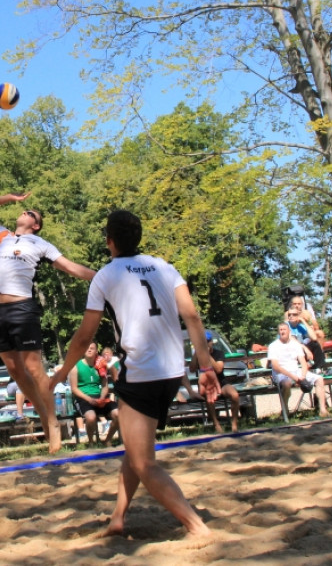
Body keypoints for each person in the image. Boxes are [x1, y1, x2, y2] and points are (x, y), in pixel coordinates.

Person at [51, 210, 220, 542]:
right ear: (138, 236)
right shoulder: (164, 266)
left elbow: (85, 337)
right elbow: (192, 315)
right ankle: (118, 518)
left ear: (109, 241)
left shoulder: (105, 275)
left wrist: (62, 372)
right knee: (134, 447)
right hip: (173, 371)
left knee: (144, 463)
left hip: (141, 372)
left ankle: (197, 526)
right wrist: (203, 366)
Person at [0, 192, 95, 454]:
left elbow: (71, 267)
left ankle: (52, 424)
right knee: (15, 371)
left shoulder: (41, 244)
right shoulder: (2, 234)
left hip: (21, 308)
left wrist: (102, 277)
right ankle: (43, 416)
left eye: (31, 214)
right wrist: (9, 198)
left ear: (36, 225)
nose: (25, 213)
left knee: (34, 368)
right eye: (25, 211)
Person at [268, 323, 330, 418]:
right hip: (281, 372)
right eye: (280, 330)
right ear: (278, 332)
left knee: (319, 379)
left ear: (289, 331)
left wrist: (303, 377)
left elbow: (303, 363)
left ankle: (323, 409)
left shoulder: (296, 345)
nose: (282, 331)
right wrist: (295, 378)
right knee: (286, 383)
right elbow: (276, 367)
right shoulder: (273, 346)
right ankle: (285, 410)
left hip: (296, 370)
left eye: (284, 329)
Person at [189, 332, 240, 433]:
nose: (206, 344)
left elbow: (218, 369)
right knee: (209, 399)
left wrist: (208, 355)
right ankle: (216, 424)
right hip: (206, 384)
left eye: (208, 342)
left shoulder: (218, 353)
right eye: (203, 342)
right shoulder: (198, 355)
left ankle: (234, 424)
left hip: (221, 381)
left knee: (235, 395)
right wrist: (196, 353)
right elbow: (192, 369)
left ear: (211, 342)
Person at [69, 341, 119, 445]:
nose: (89, 349)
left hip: (99, 397)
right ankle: (91, 442)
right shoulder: (76, 366)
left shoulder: (101, 366)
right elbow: (74, 389)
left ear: (96, 351)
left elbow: (105, 386)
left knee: (118, 414)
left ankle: (108, 440)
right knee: (91, 417)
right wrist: (89, 399)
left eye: (92, 348)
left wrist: (101, 397)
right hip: (83, 398)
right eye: (87, 347)